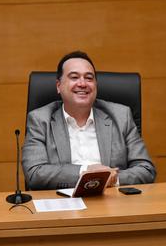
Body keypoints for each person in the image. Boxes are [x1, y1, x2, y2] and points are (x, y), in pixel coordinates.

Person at [22, 51, 156, 190]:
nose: (82, 83)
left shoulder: (121, 116)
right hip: (62, 201)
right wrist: (86, 172)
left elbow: (146, 170)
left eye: (89, 78)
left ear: (95, 85)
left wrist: (110, 178)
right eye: (74, 77)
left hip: (112, 200)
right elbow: (35, 173)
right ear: (58, 86)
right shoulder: (40, 120)